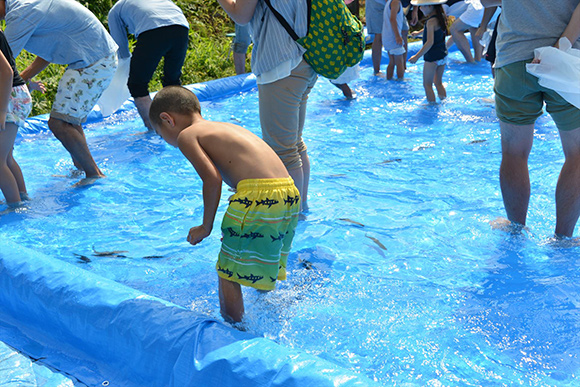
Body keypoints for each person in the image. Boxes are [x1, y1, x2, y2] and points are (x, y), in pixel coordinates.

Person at [149, 86, 301, 323]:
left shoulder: (187, 135)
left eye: (161, 135)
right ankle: (271, 309)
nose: (167, 141)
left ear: (167, 119)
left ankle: (234, 329)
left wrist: (205, 227)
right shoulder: (222, 127)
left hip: (259, 197)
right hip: (289, 193)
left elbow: (212, 179)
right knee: (263, 258)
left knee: (227, 272)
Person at [481, 0, 580, 237]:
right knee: (577, 153)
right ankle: (563, 237)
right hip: (565, 61)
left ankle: (516, 228)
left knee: (514, 152)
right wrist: (559, 47)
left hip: (513, 57)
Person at [216, 0, 317, 213]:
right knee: (294, 144)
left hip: (280, 64)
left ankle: (290, 217)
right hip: (306, 61)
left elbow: (241, 15)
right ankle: (301, 209)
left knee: (283, 151)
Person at [0, 0, 118, 180]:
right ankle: (82, 170)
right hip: (92, 58)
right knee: (70, 121)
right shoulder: (27, 5)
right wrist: (24, 80)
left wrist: (18, 85)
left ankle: (94, 174)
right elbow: (51, 48)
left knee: (59, 123)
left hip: (94, 60)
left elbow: (4, 64)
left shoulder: (21, 12)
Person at [108, 0, 190, 131]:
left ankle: (155, 129)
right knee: (172, 81)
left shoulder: (116, 10)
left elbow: (121, 52)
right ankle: (184, 125)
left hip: (153, 29)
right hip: (181, 26)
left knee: (137, 85)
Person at [0, 29, 43, 207]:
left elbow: (7, 73)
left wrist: (2, 110)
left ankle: (15, 207)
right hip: (14, 95)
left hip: (9, 98)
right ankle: (22, 198)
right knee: (6, 157)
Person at [409, 0, 449, 102]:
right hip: (442, 55)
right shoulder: (441, 17)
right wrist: (419, 33)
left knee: (427, 85)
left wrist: (416, 57)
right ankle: (444, 101)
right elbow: (433, 29)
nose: (420, 9)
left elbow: (429, 42)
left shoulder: (430, 22)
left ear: (430, 6)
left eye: (422, 7)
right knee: (438, 83)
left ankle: (432, 106)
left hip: (432, 58)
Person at [382, 0, 407, 80]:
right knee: (400, 62)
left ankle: (389, 79)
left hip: (387, 36)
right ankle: (401, 80)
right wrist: (397, 36)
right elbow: (392, 19)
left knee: (392, 62)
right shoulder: (395, 2)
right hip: (393, 37)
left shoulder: (389, 2)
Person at [367, 0, 387, 75]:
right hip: (376, 4)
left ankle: (402, 68)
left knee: (402, 32)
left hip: (392, 3)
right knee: (379, 35)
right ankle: (376, 70)